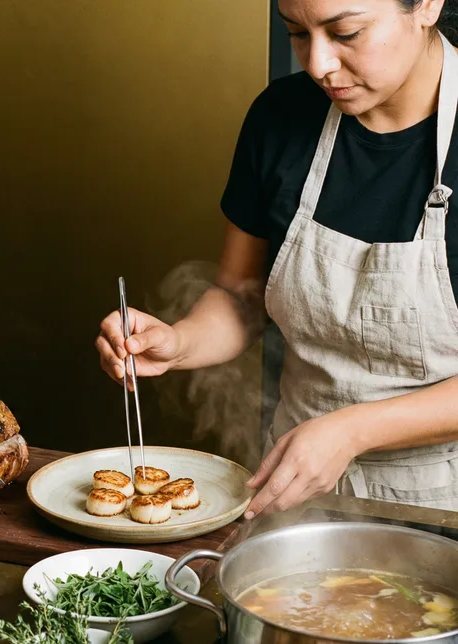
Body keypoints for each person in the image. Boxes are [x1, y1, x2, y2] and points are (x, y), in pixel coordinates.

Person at [97, 0, 458, 518]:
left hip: (445, 504)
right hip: (293, 485)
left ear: (426, 5)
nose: (317, 64)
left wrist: (353, 430)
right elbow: (241, 296)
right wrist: (179, 342)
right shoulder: (283, 116)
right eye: (296, 33)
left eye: (346, 32)